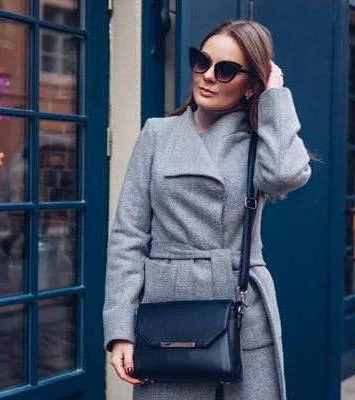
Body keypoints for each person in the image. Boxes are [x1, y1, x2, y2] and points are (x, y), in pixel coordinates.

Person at [102, 20, 311, 400]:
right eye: (201, 62)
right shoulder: (157, 135)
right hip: (169, 316)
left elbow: (284, 174)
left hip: (244, 311)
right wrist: (120, 329)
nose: (208, 77)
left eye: (225, 69)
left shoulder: (260, 141)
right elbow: (128, 237)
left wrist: (276, 96)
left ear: (252, 85)